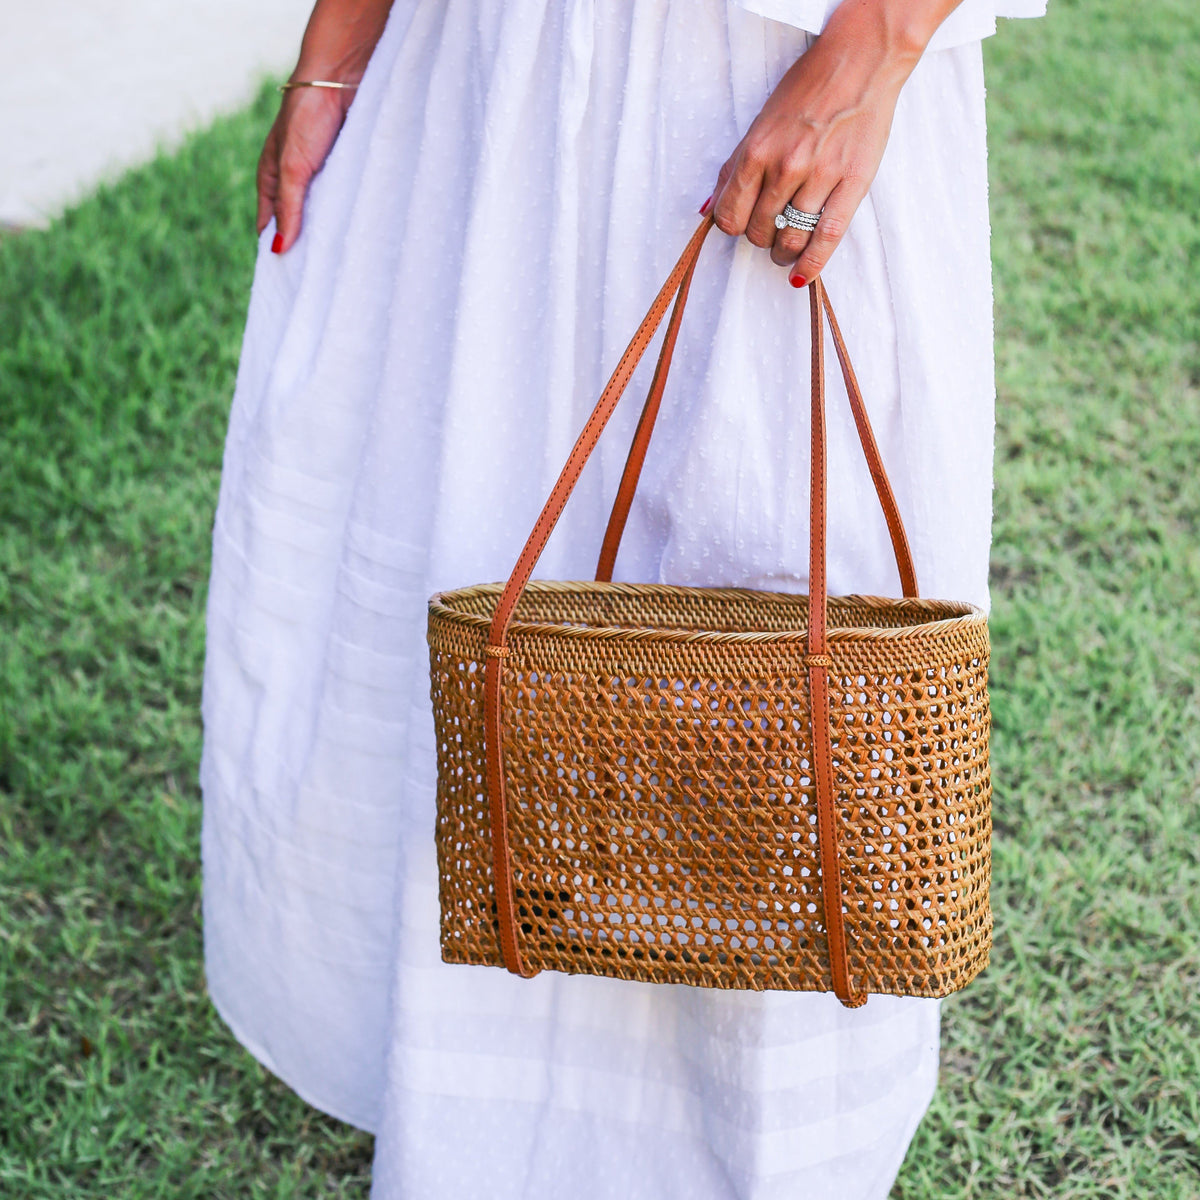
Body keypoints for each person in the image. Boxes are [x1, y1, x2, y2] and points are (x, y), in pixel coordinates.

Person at [199, 0, 1044, 1195]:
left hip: (763, 72)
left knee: (753, 644)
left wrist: (871, 52)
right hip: (492, 72)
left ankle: (746, 1150)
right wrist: (334, 60)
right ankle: (481, 1131)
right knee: (469, 553)